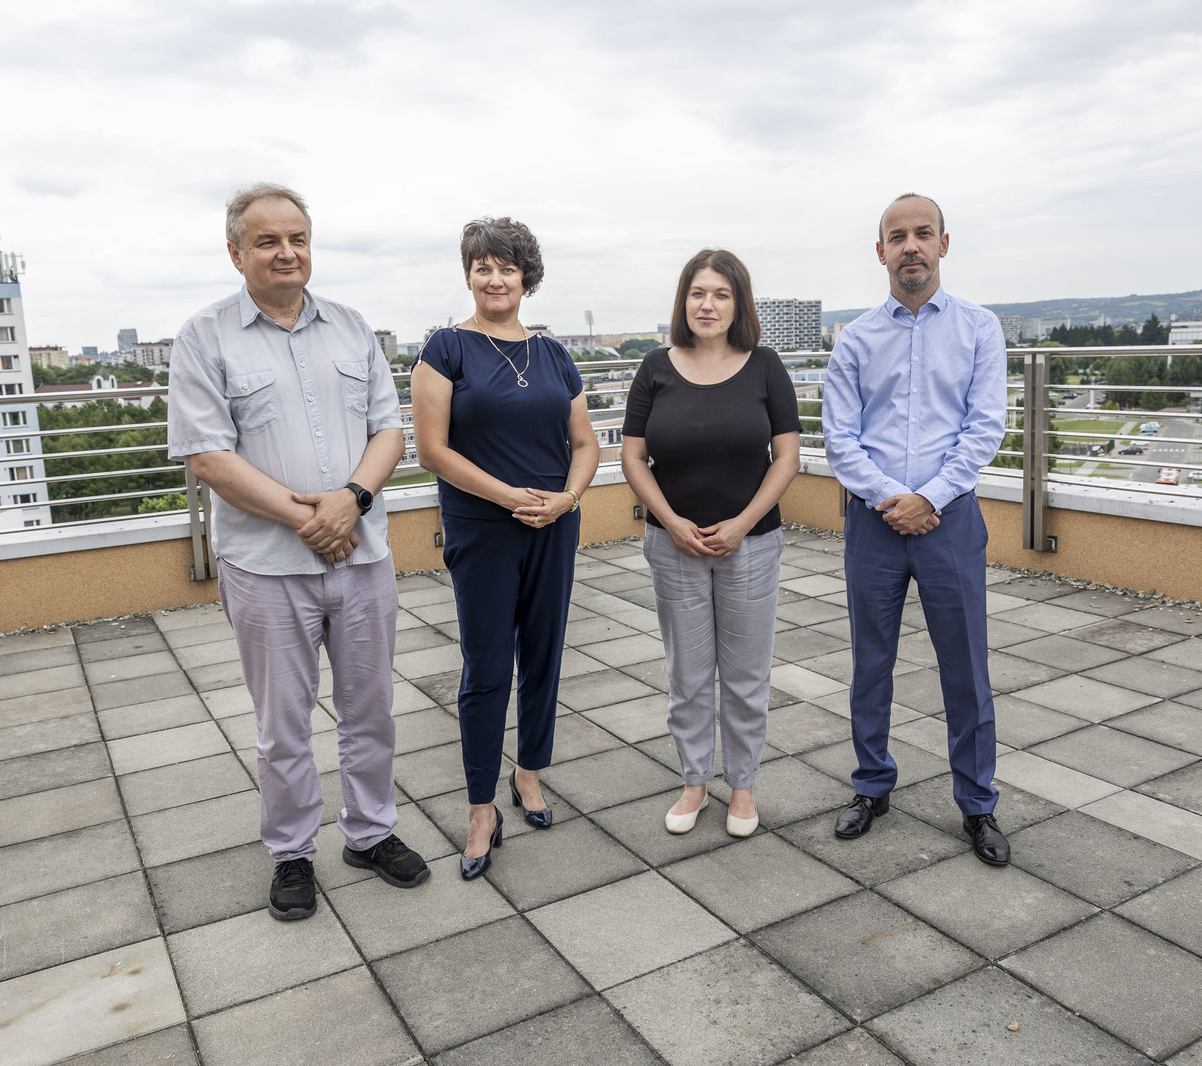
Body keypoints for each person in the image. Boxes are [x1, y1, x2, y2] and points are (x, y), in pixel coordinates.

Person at [167, 182, 430, 920]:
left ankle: (370, 832)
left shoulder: (352, 327)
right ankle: (291, 852)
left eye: (298, 239)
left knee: (370, 709)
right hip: (266, 567)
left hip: (362, 555)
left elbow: (389, 430)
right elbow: (207, 456)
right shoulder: (203, 337)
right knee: (282, 724)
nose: (287, 253)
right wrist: (310, 519)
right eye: (268, 241)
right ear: (236, 253)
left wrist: (352, 501)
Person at [821, 193, 1011, 866]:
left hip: (949, 520)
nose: (911, 246)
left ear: (943, 243)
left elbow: (984, 428)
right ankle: (871, 786)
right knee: (870, 665)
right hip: (873, 524)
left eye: (922, 233)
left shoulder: (980, 329)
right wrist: (891, 500)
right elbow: (840, 440)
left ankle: (977, 803)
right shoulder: (855, 339)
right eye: (897, 236)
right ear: (880, 252)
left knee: (967, 669)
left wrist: (927, 497)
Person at [410, 217, 599, 881]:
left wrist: (567, 499)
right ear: (468, 275)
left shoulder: (553, 355)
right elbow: (432, 450)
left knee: (544, 656)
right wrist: (510, 496)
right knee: (487, 668)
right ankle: (480, 807)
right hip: (483, 528)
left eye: (507, 268)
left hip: (554, 525)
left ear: (527, 278)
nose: (495, 279)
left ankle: (530, 772)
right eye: (483, 267)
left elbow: (586, 444)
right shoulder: (445, 349)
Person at [621, 250, 801, 838]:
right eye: (698, 293)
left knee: (746, 675)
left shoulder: (765, 366)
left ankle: (742, 787)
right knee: (689, 674)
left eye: (721, 294)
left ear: (738, 303)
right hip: (674, 544)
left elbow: (787, 457)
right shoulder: (655, 367)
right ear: (684, 301)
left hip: (750, 544)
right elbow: (632, 456)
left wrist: (743, 523)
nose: (708, 304)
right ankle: (695, 781)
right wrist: (670, 521)